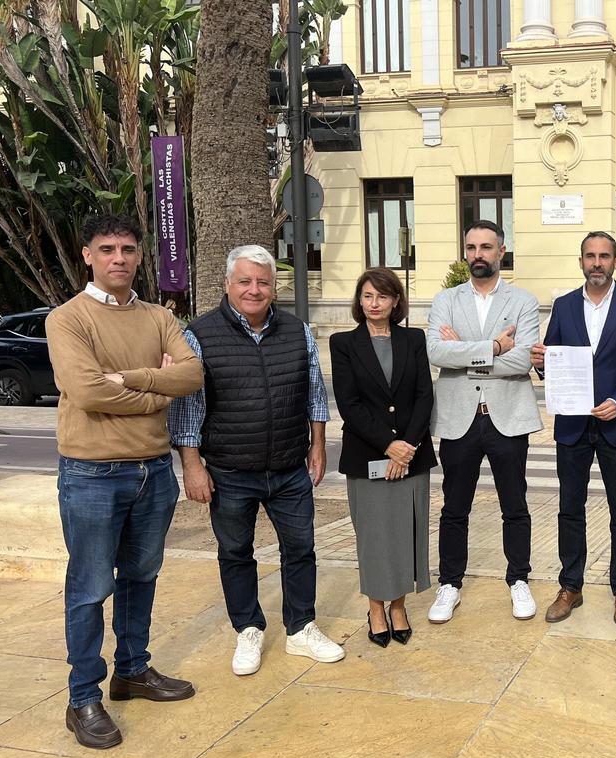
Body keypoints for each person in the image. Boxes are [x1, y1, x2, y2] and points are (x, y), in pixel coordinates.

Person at [47, 213, 204, 749]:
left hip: (154, 470)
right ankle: (82, 697)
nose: (120, 257)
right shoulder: (67, 319)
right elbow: (89, 392)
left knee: (142, 576)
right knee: (90, 588)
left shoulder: (158, 316)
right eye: (108, 248)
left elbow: (192, 374)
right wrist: (161, 391)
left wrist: (136, 380)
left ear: (140, 255)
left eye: (129, 249)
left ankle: (133, 670)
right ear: (87, 254)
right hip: (91, 473)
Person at [168, 245, 344, 677]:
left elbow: (314, 392)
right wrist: (192, 465)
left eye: (263, 282)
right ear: (227, 285)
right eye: (244, 281)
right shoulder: (200, 334)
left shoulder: (297, 330)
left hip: (288, 468)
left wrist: (318, 445)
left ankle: (301, 628)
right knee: (235, 552)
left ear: (273, 287)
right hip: (229, 471)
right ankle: (248, 628)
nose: (254, 289)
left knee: (301, 549)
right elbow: (188, 406)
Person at [530, 232, 616, 626]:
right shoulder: (565, 307)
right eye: (590, 256)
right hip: (572, 425)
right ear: (581, 261)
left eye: (604, 256)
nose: (597, 262)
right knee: (570, 508)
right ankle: (571, 586)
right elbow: (550, 362)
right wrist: (541, 362)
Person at [426, 220, 543, 623]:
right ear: (465, 252)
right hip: (459, 418)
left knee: (515, 504)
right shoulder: (446, 299)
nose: (478, 254)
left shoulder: (523, 301)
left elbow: (523, 360)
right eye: (472, 247)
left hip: (507, 417)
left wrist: (464, 352)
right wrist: (494, 348)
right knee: (454, 506)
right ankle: (450, 583)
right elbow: (437, 353)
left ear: (501, 251)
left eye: (486, 247)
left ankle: (519, 580)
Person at [330, 269, 436, 647]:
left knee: (407, 532)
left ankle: (399, 606)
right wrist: (389, 445)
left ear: (395, 302)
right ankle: (376, 607)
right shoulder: (343, 343)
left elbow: (424, 395)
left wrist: (407, 446)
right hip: (367, 455)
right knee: (373, 537)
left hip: (412, 455)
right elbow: (350, 404)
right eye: (368, 296)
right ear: (359, 301)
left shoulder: (414, 339)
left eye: (383, 296)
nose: (375, 303)